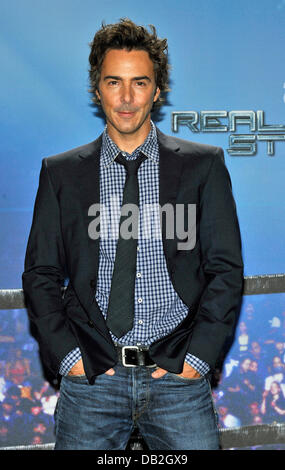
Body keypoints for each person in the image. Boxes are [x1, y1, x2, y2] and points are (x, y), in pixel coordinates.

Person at [22, 18, 244, 450]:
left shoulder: (204, 166)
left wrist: (198, 358)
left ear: (157, 90)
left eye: (139, 83)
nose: (126, 98)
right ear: (97, 88)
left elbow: (226, 269)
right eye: (114, 82)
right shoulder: (61, 174)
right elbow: (40, 274)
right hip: (92, 381)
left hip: (179, 377)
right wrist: (69, 357)